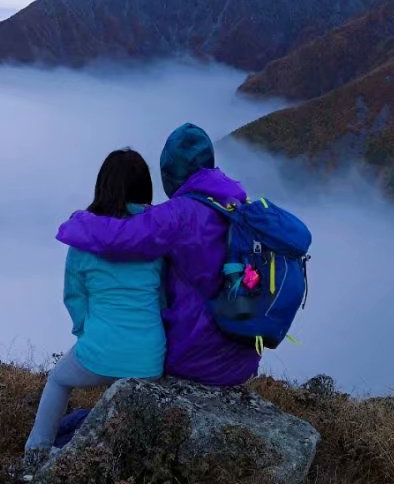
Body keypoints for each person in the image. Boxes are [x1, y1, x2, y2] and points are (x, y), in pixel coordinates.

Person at [56, 123, 258, 388]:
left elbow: (120, 238)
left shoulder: (177, 215)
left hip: (198, 358)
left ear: (170, 170)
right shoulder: (235, 203)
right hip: (241, 357)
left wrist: (80, 222)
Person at [23, 148, 166, 467]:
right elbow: (163, 299)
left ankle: (36, 453)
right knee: (125, 400)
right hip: (150, 358)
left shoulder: (83, 241)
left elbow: (74, 297)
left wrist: (86, 332)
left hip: (98, 349)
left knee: (59, 380)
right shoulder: (157, 240)